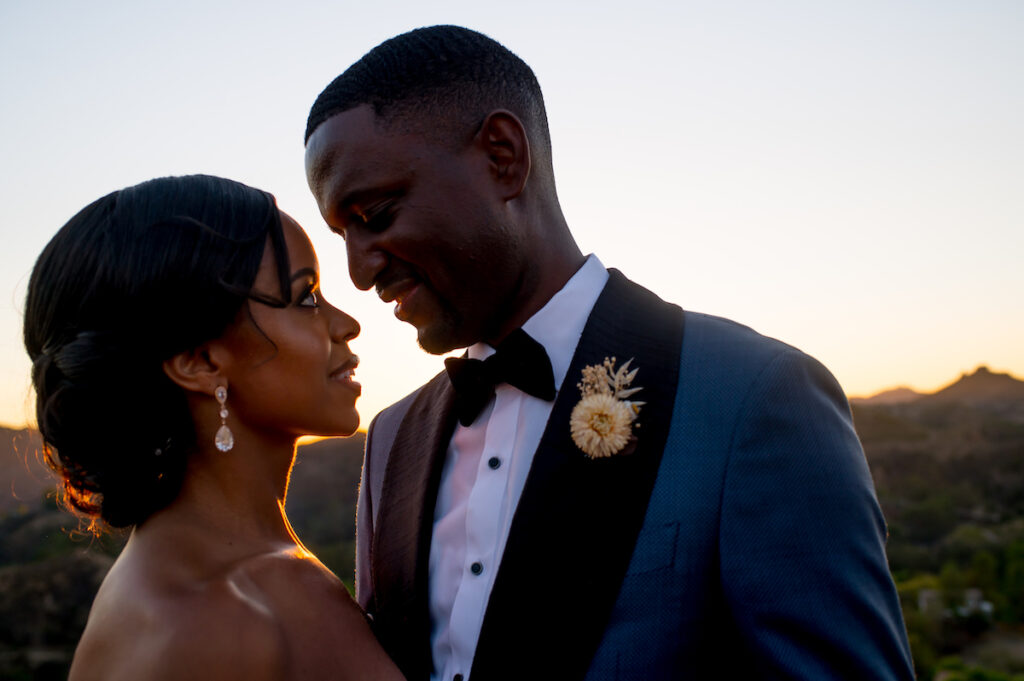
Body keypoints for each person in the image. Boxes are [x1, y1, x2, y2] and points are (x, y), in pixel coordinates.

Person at [303, 25, 916, 681]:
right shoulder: (392, 436)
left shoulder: (752, 397)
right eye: (341, 235)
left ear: (503, 157)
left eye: (376, 215)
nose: (360, 273)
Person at [23, 175, 404, 681]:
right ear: (200, 361)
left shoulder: (255, 569)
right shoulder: (209, 625)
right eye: (305, 297)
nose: (346, 324)